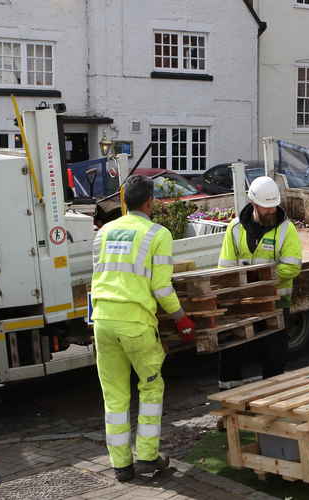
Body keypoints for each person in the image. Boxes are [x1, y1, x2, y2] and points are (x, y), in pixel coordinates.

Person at [91, 175, 196, 482]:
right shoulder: (157, 234)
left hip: (102, 321)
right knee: (150, 388)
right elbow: (161, 287)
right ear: (149, 202)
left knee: (114, 397)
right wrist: (181, 318)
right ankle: (147, 458)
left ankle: (121, 466)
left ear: (124, 202)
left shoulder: (104, 232)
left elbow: (98, 278)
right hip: (135, 324)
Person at [216, 176, 303, 389]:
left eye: (274, 206)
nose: (271, 211)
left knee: (274, 352)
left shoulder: (286, 229)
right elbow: (225, 267)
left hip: (276, 301)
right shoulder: (235, 228)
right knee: (231, 349)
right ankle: (230, 396)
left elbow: (292, 266)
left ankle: (273, 396)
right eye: (266, 207)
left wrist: (260, 280)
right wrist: (241, 286)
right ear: (253, 204)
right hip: (241, 301)